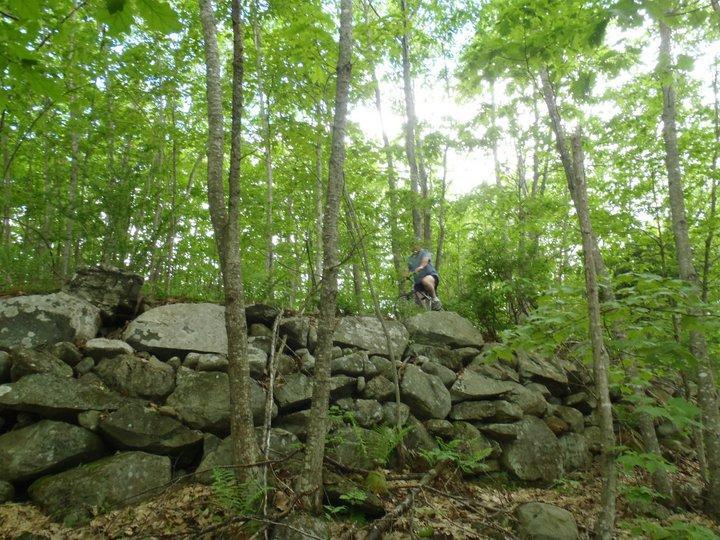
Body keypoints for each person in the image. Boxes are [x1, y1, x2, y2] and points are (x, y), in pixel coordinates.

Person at [404, 242, 442, 310]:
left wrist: (421, 267)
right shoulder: (410, 258)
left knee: (425, 280)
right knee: (416, 292)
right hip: (418, 282)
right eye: (412, 245)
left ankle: (435, 299)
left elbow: (425, 260)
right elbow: (407, 269)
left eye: (415, 244)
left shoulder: (425, 252)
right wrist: (405, 275)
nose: (414, 246)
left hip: (431, 276)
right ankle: (425, 310)